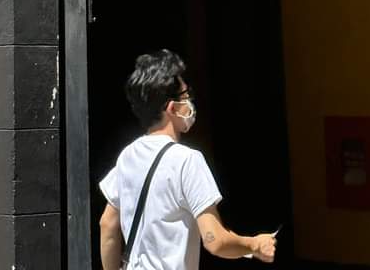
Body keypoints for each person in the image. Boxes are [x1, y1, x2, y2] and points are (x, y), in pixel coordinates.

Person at [99, 50, 277, 270]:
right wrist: (254, 244)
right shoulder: (187, 160)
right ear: (172, 108)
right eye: (186, 95)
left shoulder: (127, 156)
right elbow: (215, 241)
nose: (191, 102)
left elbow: (107, 224)